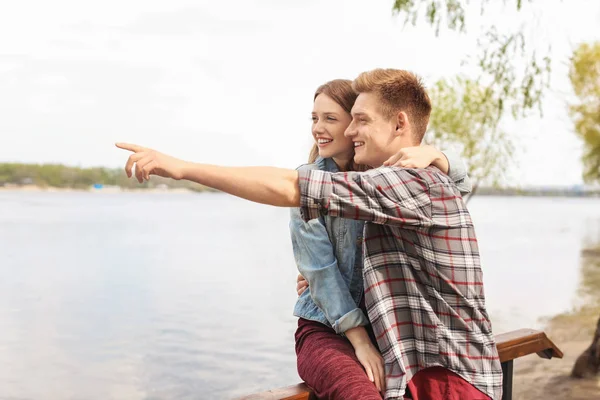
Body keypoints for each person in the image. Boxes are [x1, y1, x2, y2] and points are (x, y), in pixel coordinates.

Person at [116, 68, 503, 400]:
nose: (344, 130)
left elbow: (293, 187)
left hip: (448, 371)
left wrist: (182, 168)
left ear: (398, 123)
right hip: (378, 346)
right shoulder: (386, 184)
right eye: (318, 118)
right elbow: (318, 266)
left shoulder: (407, 183)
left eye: (356, 120)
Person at [290, 79, 472, 399]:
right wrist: (359, 342)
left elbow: (456, 189)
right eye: (314, 118)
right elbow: (320, 272)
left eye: (331, 119)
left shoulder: (390, 181)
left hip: (387, 328)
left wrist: (435, 154)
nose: (319, 128)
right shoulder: (308, 182)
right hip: (326, 329)